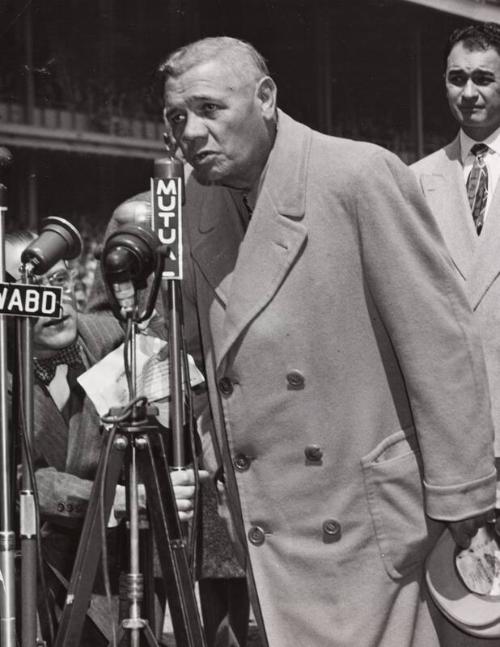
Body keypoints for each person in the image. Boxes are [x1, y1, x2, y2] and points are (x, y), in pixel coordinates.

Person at [89, 37, 497, 647]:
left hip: (366, 520)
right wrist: (194, 437)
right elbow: (191, 352)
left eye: (209, 108)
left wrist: (466, 502)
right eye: (177, 117)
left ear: (266, 98)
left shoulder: (359, 174)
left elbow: (440, 344)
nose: (191, 132)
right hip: (266, 520)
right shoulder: (193, 199)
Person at [6, 230, 202, 646]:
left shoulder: (114, 337)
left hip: (116, 574)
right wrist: (123, 499)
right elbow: (23, 481)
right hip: (28, 580)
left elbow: (186, 369)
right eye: (31, 288)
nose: (52, 302)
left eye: (58, 283)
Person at [411, 22, 500, 646]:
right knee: (462, 607)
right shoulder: (411, 183)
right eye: (456, 78)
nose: (468, 92)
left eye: (484, 78)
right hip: (445, 436)